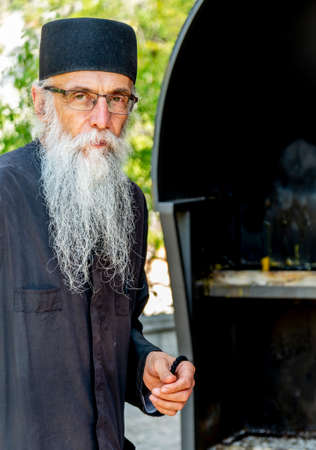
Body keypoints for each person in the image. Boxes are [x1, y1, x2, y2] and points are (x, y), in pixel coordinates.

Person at [0, 17, 195, 450]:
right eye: (81, 97)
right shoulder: (4, 195)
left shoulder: (128, 204)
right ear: (40, 100)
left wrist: (149, 364)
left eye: (118, 98)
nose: (102, 119)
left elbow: (114, 334)